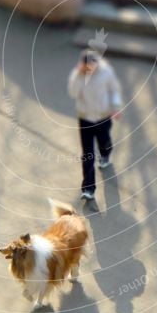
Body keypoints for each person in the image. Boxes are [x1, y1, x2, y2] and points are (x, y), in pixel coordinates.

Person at [68, 49, 122, 200]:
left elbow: (114, 90)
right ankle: (88, 189)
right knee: (87, 153)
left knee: (104, 142)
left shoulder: (107, 72)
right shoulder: (78, 75)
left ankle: (105, 155)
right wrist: (79, 76)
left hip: (103, 116)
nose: (89, 71)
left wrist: (116, 107)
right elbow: (72, 93)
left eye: (92, 68)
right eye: (86, 68)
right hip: (85, 118)